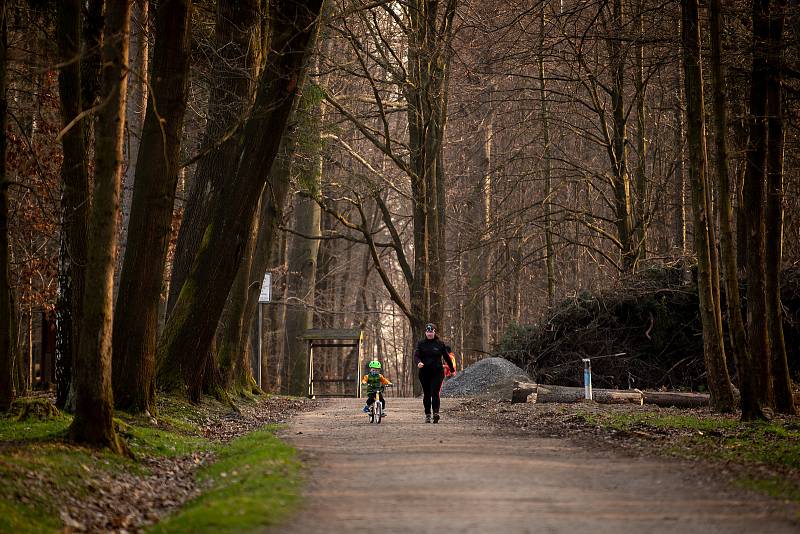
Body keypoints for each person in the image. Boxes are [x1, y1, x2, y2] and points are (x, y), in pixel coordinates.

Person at [414, 323, 455, 423]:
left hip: (437, 372)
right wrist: (418, 362)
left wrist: (452, 369)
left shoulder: (440, 343)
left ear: (434, 332)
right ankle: (428, 414)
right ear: (425, 332)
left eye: (431, 332)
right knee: (427, 394)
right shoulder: (421, 343)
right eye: (428, 332)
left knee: (435, 393)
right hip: (424, 372)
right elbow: (416, 355)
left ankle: (436, 413)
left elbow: (446, 357)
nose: (429, 334)